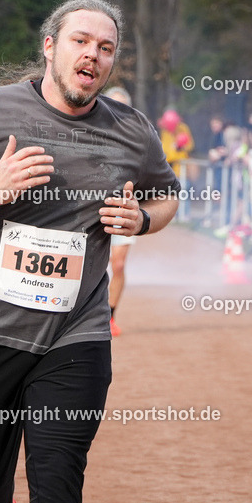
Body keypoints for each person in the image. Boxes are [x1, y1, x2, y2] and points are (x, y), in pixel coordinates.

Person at [0, 0, 180, 503]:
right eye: (81, 41)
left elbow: (167, 193)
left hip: (75, 335)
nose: (92, 55)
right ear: (51, 47)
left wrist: (142, 220)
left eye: (105, 48)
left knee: (58, 489)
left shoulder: (132, 131)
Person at [101, 86, 135, 337]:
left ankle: (110, 317)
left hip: (122, 209)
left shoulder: (136, 138)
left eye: (122, 105)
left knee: (119, 265)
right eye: (112, 104)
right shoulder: (90, 132)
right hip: (92, 209)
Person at [158, 108, 193, 179]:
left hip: (180, 166)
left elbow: (190, 146)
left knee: (183, 185)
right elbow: (164, 145)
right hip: (166, 164)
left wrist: (179, 146)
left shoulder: (182, 128)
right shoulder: (165, 130)